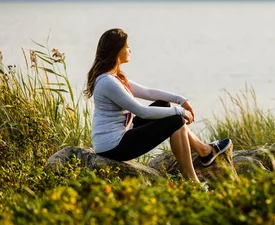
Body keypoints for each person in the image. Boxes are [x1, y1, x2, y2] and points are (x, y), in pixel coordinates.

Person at [84, 28, 231, 183]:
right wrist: (179, 111)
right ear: (116, 51)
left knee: (164, 105)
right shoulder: (108, 82)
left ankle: (204, 151)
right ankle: (193, 179)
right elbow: (142, 111)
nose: (129, 49)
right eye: (126, 47)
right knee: (175, 119)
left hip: (119, 136)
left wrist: (180, 99)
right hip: (113, 147)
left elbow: (148, 92)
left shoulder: (113, 77)